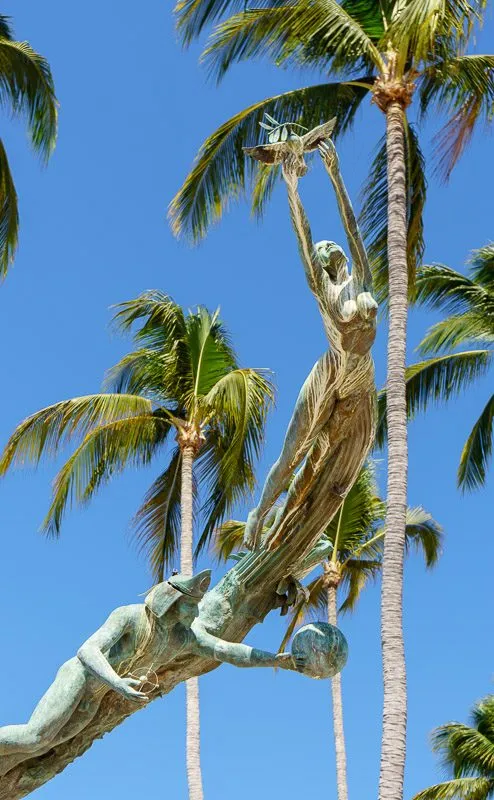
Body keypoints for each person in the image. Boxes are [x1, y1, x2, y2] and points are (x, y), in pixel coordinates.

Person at [0, 570, 304, 775]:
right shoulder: (129, 616)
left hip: (95, 697)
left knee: (45, 746)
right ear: (172, 601)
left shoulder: (183, 638)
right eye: (191, 606)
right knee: (35, 735)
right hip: (79, 678)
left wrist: (278, 660)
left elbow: (227, 651)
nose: (195, 613)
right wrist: (117, 684)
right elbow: (87, 651)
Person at [242, 136, 377, 552]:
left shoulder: (362, 281)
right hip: (329, 372)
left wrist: (335, 176)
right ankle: (259, 514)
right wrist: (292, 186)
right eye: (322, 249)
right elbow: (304, 235)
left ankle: (280, 534)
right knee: (294, 453)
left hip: (358, 381)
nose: (327, 246)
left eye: (330, 246)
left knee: (319, 464)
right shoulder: (323, 289)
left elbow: (352, 228)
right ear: (319, 264)